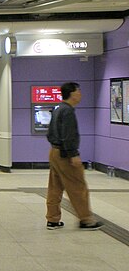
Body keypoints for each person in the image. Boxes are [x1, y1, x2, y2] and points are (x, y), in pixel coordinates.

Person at [46, 82, 103, 230]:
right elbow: (68, 135)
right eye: (78, 91)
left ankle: (52, 219)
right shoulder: (68, 111)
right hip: (65, 154)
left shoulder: (58, 108)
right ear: (72, 93)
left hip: (54, 151)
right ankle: (86, 219)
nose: (80, 94)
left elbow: (50, 133)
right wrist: (73, 154)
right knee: (78, 186)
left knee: (55, 187)